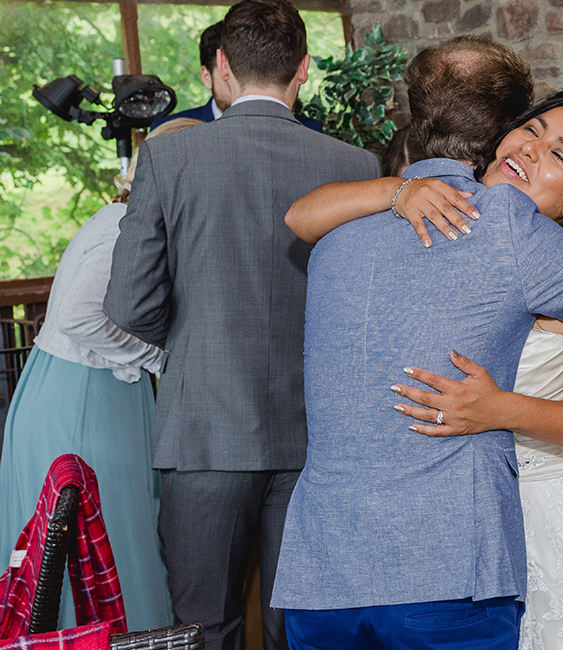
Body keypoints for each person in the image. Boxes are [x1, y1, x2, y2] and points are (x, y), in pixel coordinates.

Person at [271, 35, 563, 650]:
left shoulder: (339, 233)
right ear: (501, 133)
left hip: (320, 574)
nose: (532, 149)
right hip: (446, 569)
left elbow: (299, 218)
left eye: (559, 153)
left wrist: (504, 408)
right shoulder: (512, 232)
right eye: (533, 130)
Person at [102, 2, 380, 650]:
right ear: (303, 70)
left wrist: (195, 334)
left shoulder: (170, 160)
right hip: (318, 436)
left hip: (204, 432)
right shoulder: (358, 167)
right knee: (301, 627)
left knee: (204, 628)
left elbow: (126, 304)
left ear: (220, 66)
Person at [0, 117, 203, 632]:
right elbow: (77, 317)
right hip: (83, 401)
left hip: (92, 393)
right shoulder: (120, 229)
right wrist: (160, 357)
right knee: (101, 539)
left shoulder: (125, 218)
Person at [150, 20, 323, 132]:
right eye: (230, 74)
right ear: (206, 76)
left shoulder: (309, 130)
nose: (242, 82)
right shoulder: (168, 131)